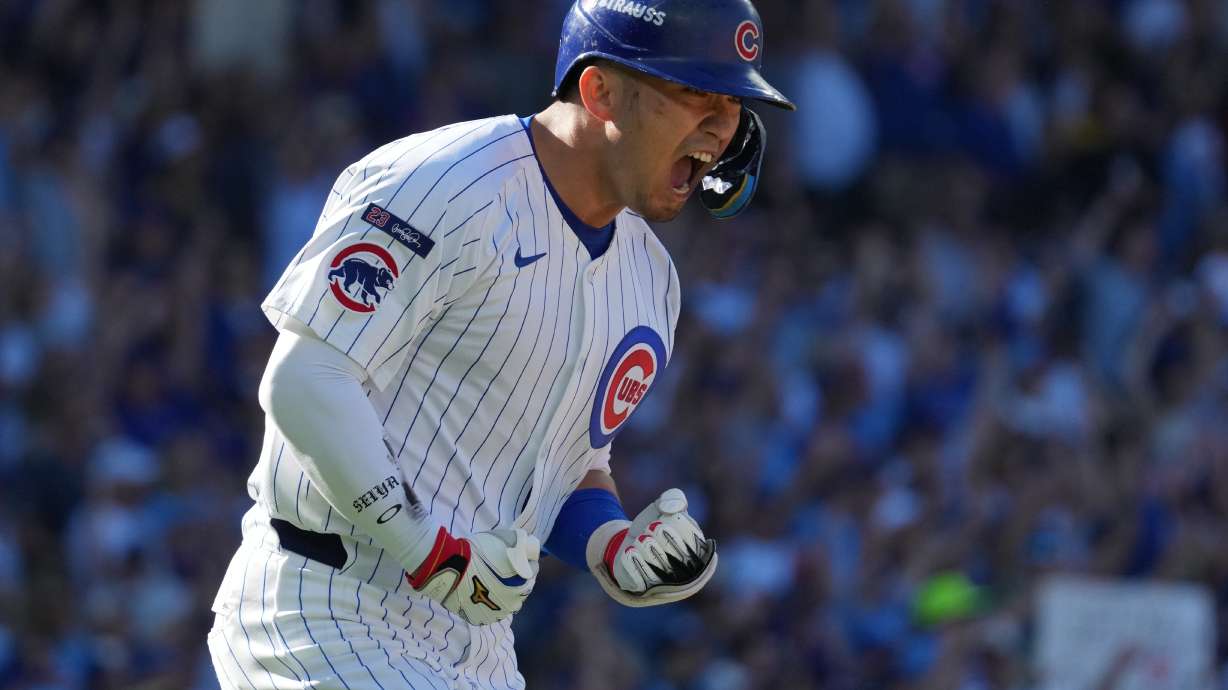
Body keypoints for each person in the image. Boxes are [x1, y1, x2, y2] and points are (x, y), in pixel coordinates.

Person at [206, 1, 794, 688]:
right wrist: (427, 549)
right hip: (325, 604)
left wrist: (611, 544)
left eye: (733, 104)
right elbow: (305, 382)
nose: (723, 127)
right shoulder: (442, 183)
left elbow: (569, 465)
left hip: (475, 634)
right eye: (697, 92)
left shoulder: (650, 283)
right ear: (600, 90)